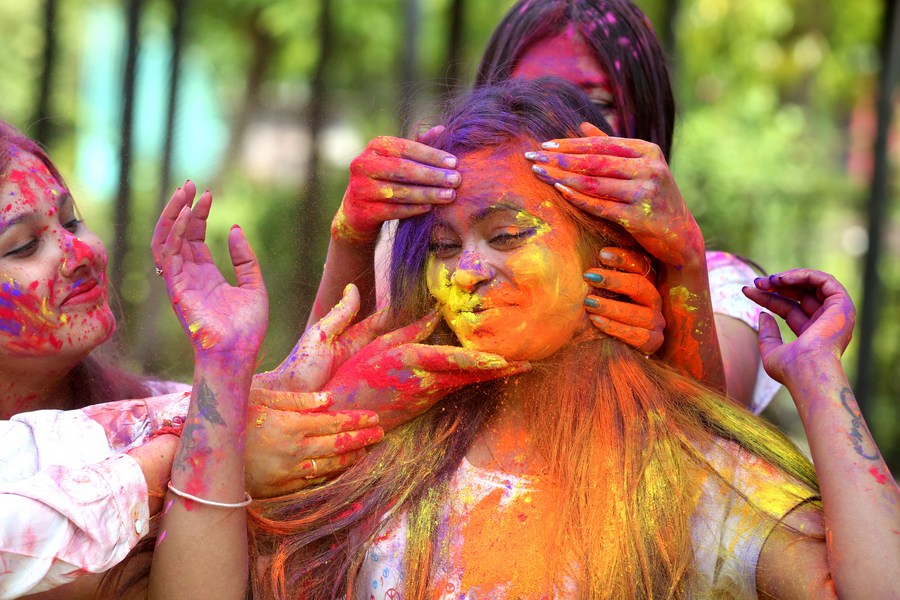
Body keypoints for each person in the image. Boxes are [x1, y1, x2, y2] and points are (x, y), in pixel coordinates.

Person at [147, 79, 899, 599]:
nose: (468, 271)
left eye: (507, 235)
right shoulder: (382, 446)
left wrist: (818, 376)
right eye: (444, 247)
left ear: (608, 251)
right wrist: (225, 368)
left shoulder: (688, 472)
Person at [311, 0, 780, 412]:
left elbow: (721, 449)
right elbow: (312, 404)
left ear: (647, 119)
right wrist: (351, 236)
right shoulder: (428, 266)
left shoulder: (721, 284)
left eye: (595, 101)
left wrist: (682, 265)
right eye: (526, 99)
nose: (553, 122)